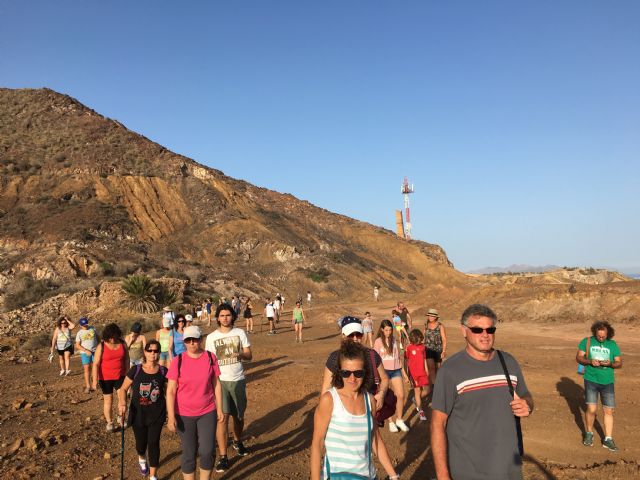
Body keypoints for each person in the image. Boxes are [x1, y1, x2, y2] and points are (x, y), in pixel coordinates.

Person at [431, 304, 534, 480]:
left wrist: (528, 405)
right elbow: (437, 425)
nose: (485, 335)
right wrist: (442, 476)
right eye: (477, 330)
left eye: (490, 329)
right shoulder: (450, 371)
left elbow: (526, 396)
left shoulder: (508, 362)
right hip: (469, 472)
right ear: (464, 331)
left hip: (510, 470)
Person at [310, 341, 399, 480]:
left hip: (367, 476)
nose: (352, 378)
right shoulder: (330, 400)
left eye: (358, 373)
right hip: (336, 476)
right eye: (346, 373)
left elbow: (376, 439)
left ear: (365, 372)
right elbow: (317, 443)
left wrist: (393, 475)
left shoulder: (369, 401)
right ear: (339, 372)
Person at [167, 325, 223, 480]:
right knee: (189, 452)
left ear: (201, 340)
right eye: (188, 340)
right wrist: (171, 417)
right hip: (183, 414)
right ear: (184, 341)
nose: (192, 343)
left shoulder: (210, 357)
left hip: (207, 411)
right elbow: (171, 391)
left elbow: (216, 384)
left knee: (207, 450)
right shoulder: (178, 361)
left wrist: (220, 408)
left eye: (195, 339)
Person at [205, 304, 252, 473]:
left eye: (228, 315)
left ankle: (238, 441)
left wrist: (240, 355)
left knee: (238, 416)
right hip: (220, 382)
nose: (225, 318)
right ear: (217, 318)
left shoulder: (240, 333)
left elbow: (249, 355)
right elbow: (208, 362)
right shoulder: (211, 338)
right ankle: (224, 456)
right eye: (222, 315)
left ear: (232, 316)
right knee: (222, 418)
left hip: (238, 379)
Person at [118, 340, 167, 480]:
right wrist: (122, 403)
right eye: (150, 350)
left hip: (157, 414)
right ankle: (141, 458)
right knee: (141, 444)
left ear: (158, 353)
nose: (153, 353)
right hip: (138, 413)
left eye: (156, 350)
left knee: (153, 443)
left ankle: (153, 475)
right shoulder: (136, 370)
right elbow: (123, 389)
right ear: (145, 352)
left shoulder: (163, 371)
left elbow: (171, 391)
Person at [321, 317, 389, 413]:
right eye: (351, 335)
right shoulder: (335, 358)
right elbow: (326, 387)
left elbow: (385, 378)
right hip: (341, 411)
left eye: (359, 334)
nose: (355, 338)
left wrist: (382, 394)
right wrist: (324, 412)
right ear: (343, 336)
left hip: (368, 409)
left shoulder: (372, 355)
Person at [576, 320, 622, 451]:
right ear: (595, 332)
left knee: (609, 410)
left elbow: (619, 363)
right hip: (591, 379)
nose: (601, 338)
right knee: (591, 409)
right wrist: (590, 361)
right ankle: (589, 434)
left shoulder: (612, 345)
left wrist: (610, 364)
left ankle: (608, 439)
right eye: (599, 336)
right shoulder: (586, 341)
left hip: (607, 381)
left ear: (608, 334)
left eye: (603, 336)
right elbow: (579, 357)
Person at [93, 323, 129, 432]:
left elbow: (127, 359)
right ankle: (109, 422)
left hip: (120, 375)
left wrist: (128, 374)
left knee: (122, 398)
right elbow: (96, 364)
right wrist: (95, 380)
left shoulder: (123, 344)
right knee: (108, 400)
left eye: (114, 337)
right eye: (110, 338)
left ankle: (120, 416)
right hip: (105, 378)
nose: (112, 340)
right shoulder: (102, 346)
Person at [374, 319, 408, 433]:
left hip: (396, 370)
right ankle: (390, 422)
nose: (389, 332)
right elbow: (375, 360)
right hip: (384, 372)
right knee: (387, 397)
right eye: (386, 330)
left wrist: (404, 374)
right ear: (382, 330)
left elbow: (398, 358)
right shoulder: (378, 342)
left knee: (401, 395)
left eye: (390, 330)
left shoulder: (394, 340)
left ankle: (399, 419)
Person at [405, 329, 429, 421]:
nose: (420, 340)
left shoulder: (423, 347)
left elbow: (424, 358)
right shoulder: (409, 348)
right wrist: (407, 374)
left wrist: (426, 369)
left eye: (420, 338)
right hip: (413, 374)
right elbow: (406, 361)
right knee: (417, 391)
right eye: (419, 338)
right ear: (413, 338)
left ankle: (415, 399)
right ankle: (421, 411)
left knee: (427, 390)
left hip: (422, 372)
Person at [75, 317, 99, 392]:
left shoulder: (93, 329)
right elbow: (77, 345)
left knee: (96, 367)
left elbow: (98, 338)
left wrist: (99, 346)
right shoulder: (79, 333)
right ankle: (88, 386)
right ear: (81, 325)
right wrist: (85, 350)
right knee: (87, 368)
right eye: (84, 325)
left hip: (95, 351)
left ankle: (95, 384)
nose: (85, 326)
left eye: (86, 324)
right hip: (85, 352)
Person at [424, 308, 447, 385]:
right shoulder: (425, 325)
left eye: (432, 316)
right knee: (431, 368)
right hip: (428, 349)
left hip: (438, 350)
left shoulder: (440, 326)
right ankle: (434, 386)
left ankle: (437, 383)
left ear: (436, 317)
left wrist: (443, 351)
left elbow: (444, 339)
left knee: (438, 369)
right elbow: (423, 338)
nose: (430, 317)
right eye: (429, 316)